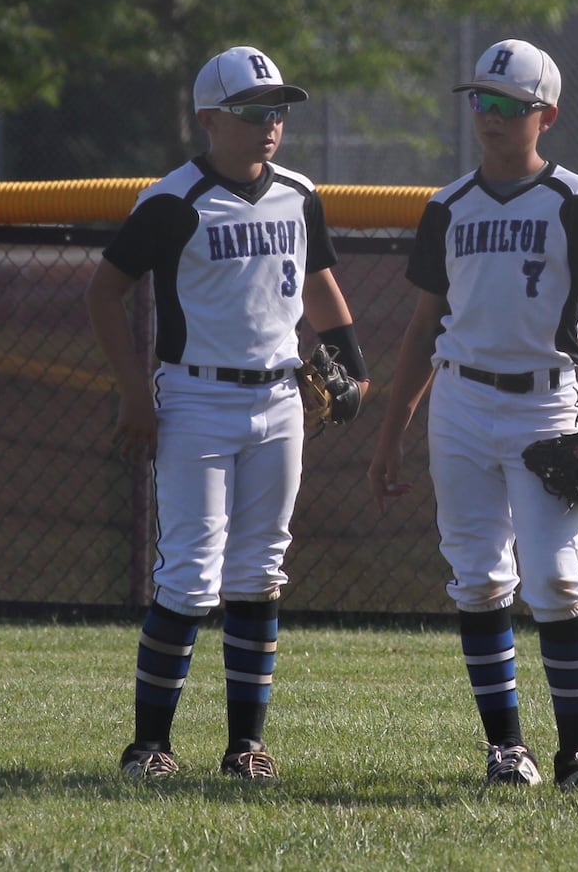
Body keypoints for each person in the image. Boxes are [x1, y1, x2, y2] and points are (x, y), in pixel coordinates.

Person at [85, 45, 369, 781]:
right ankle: (149, 745)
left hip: (279, 398)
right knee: (187, 576)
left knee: (259, 573)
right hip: (196, 396)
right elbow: (103, 293)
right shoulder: (172, 200)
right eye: (251, 111)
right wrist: (131, 391)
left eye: (276, 110)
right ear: (208, 117)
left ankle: (246, 746)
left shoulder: (299, 192)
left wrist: (353, 364)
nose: (269, 124)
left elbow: (318, 281)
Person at [368, 39, 578, 790]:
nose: (488, 117)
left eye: (508, 106)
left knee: (554, 578)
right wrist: (392, 432)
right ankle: (505, 749)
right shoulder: (446, 205)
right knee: (478, 578)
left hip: (544, 403)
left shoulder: (572, 200)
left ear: (545, 115)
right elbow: (424, 327)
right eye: (480, 101)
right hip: (458, 399)